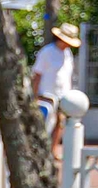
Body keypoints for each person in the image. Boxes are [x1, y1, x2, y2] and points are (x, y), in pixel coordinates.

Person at [31, 20, 82, 151]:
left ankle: (52, 150)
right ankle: (39, 150)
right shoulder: (47, 52)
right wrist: (34, 95)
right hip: (46, 95)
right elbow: (37, 74)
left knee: (60, 123)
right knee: (44, 124)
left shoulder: (67, 53)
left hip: (62, 95)